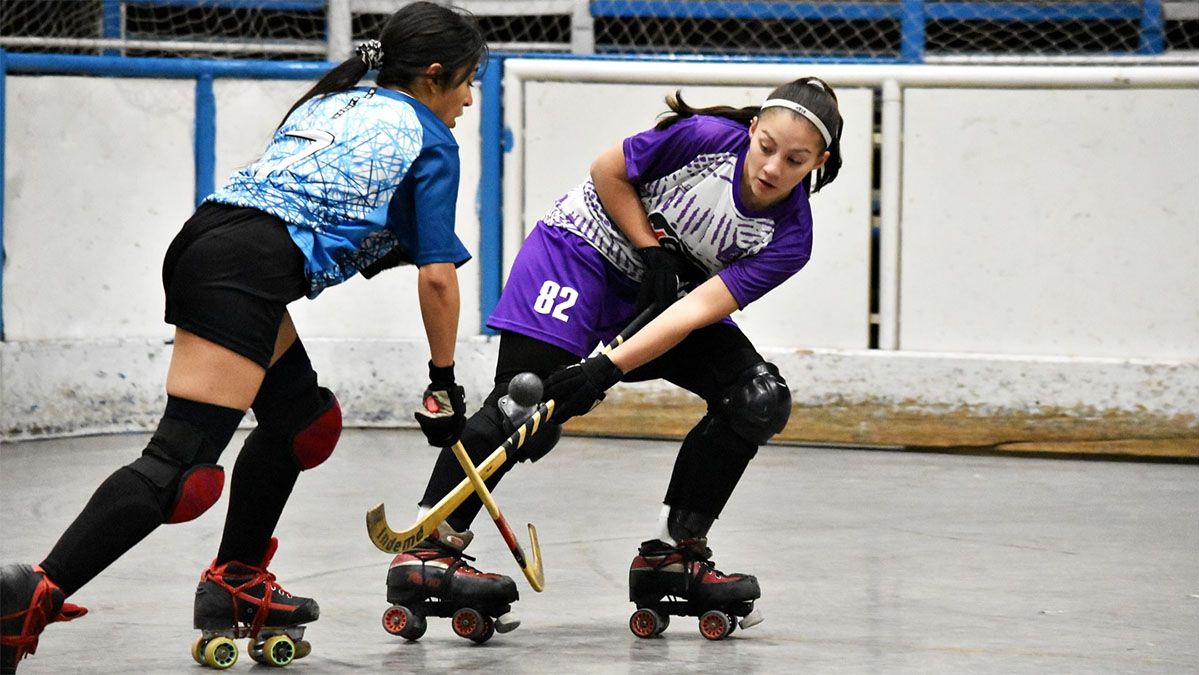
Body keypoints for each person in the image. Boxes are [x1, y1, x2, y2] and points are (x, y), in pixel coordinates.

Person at [0, 2, 487, 671]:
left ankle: (237, 577)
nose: (470, 96)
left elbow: (349, 215)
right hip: (244, 266)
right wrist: (443, 383)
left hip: (218, 242)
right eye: (467, 79)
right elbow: (437, 278)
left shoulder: (341, 99)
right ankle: (31, 595)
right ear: (435, 75)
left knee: (303, 422)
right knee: (181, 469)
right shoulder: (430, 135)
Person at [391, 77, 843, 635]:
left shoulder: (790, 237)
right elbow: (607, 171)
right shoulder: (704, 139)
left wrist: (605, 368)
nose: (772, 168)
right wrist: (650, 250)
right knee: (524, 403)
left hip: (666, 303)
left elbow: (695, 312)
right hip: (581, 252)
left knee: (757, 399)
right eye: (766, 146)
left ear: (817, 162)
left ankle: (671, 555)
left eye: (794, 161)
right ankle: (427, 550)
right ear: (752, 129)